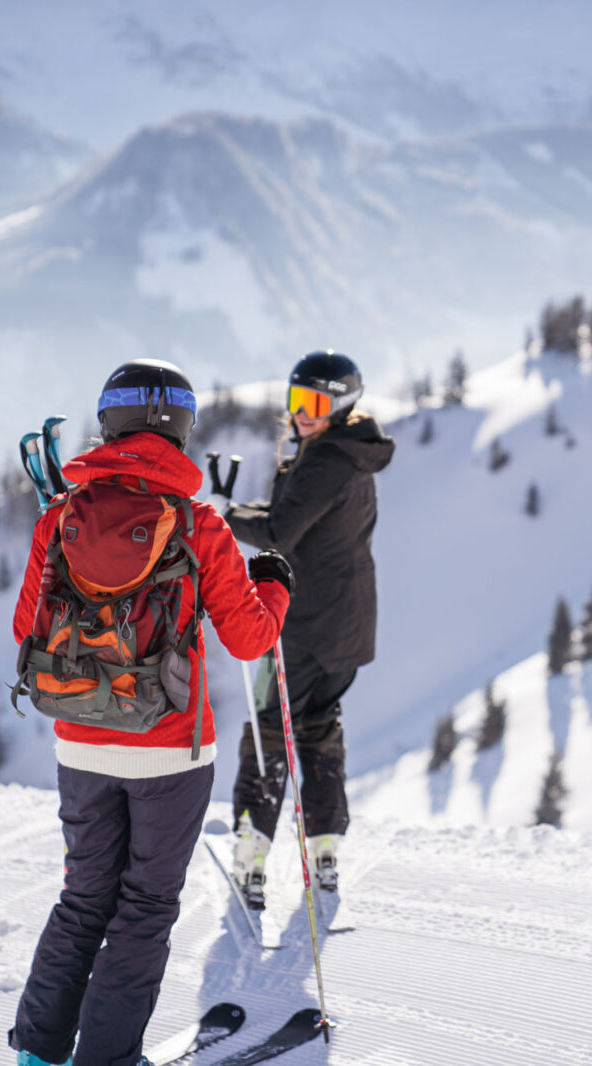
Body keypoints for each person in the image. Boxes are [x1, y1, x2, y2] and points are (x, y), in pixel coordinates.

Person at [7, 358, 293, 1066]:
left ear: (108, 422)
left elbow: (25, 630)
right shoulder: (197, 525)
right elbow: (251, 636)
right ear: (182, 430)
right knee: (142, 910)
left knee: (83, 902)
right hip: (170, 747)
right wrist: (274, 586)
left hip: (78, 737)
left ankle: (38, 1055)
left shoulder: (62, 518)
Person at [224, 350, 394, 903]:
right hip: (349, 626)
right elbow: (304, 520)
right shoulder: (350, 454)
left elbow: (279, 531)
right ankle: (324, 848)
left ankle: (251, 855)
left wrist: (223, 516)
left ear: (341, 404)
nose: (302, 414)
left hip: (304, 627)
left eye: (315, 403)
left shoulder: (324, 460)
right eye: (297, 401)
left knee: (270, 726)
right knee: (318, 726)